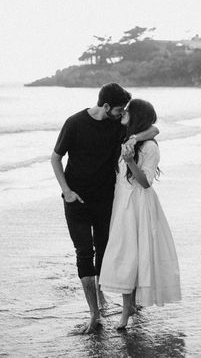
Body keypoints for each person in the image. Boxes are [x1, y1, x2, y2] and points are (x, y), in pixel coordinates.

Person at [51, 83, 159, 333]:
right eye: (120, 110)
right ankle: (94, 314)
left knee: (104, 251)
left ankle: (105, 298)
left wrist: (134, 136)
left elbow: (153, 128)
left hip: (106, 201)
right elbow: (56, 157)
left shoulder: (117, 126)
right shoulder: (75, 123)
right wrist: (66, 191)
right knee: (83, 253)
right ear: (106, 106)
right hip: (76, 199)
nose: (123, 115)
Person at [99, 98, 181, 329]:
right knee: (123, 256)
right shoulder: (127, 137)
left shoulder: (151, 147)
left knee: (134, 256)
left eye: (128, 110)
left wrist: (129, 160)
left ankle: (126, 311)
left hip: (139, 204)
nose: (123, 112)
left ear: (136, 116)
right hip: (122, 203)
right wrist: (133, 139)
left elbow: (145, 182)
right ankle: (129, 306)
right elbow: (154, 127)